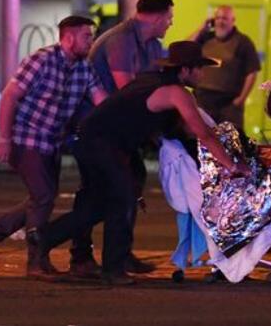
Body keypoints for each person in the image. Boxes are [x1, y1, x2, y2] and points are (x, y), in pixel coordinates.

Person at [35, 41, 246, 285]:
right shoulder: (176, 92)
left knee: (100, 205)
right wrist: (232, 165)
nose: (202, 74)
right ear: (185, 69)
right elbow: (202, 133)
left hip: (94, 141)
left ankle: (44, 238)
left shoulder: (150, 81)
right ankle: (113, 269)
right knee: (122, 200)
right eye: (199, 68)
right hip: (102, 144)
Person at [0, 16, 106, 278]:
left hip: (52, 143)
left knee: (41, 199)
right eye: (87, 36)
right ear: (68, 38)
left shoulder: (84, 68)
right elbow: (10, 95)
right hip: (26, 139)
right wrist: (5, 138)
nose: (92, 41)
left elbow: (102, 100)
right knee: (43, 197)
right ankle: (35, 262)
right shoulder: (41, 60)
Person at [67, 0, 174, 277]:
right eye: (169, 18)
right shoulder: (120, 40)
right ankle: (80, 254)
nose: (171, 24)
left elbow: (155, 84)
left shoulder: (153, 45)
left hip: (120, 130)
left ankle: (119, 254)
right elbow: (128, 89)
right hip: (96, 129)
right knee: (100, 191)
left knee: (130, 183)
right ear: (157, 17)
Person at [190, 5, 261, 133]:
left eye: (225, 18)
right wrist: (201, 28)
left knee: (231, 139)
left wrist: (241, 99)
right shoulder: (205, 38)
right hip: (203, 100)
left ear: (233, 21)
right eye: (218, 18)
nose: (220, 22)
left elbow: (252, 72)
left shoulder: (243, 42)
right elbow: (185, 48)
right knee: (201, 138)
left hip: (229, 104)